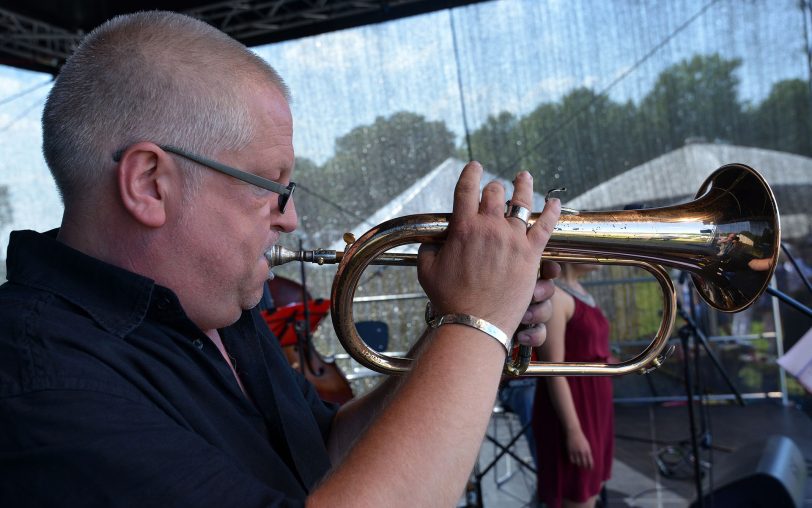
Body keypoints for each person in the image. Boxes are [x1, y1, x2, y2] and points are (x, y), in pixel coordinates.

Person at [0, 10, 562, 507]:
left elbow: (326, 454)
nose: (288, 217)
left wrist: (451, 331)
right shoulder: (40, 384)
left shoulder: (219, 307)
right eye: (269, 184)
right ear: (151, 184)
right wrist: (479, 323)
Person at [532, 263, 613, 508]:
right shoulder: (556, 297)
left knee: (592, 488)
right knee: (577, 491)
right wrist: (574, 431)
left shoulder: (580, 292)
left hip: (596, 408)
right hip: (574, 409)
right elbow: (554, 370)